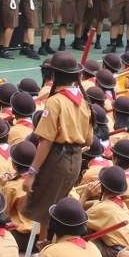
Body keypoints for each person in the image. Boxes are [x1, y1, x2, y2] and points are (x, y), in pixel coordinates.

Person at [22, 53, 94, 239]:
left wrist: (32, 172)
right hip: (75, 159)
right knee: (56, 205)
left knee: (44, 210)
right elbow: (88, 141)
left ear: (53, 75)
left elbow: (45, 141)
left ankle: (43, 250)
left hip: (57, 159)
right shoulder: (84, 101)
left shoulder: (55, 101)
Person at [85, 165, 129, 257]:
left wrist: (85, 195)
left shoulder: (102, 208)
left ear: (102, 186)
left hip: (114, 254)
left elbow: (75, 221)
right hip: (128, 250)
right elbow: (99, 205)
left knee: (78, 237)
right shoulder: (122, 204)